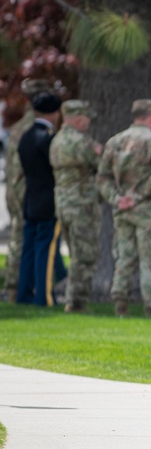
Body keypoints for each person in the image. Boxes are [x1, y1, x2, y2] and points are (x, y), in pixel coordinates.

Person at [97, 99, 151, 318]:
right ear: (150, 118)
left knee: (124, 258)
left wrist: (117, 199)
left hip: (122, 211)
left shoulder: (115, 141)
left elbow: (102, 177)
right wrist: (138, 196)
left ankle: (120, 305)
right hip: (148, 211)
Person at [49, 99, 102, 313]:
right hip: (82, 205)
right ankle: (76, 302)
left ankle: (73, 298)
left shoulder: (56, 140)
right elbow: (102, 164)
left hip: (63, 204)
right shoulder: (81, 142)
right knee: (85, 255)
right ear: (79, 118)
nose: (88, 122)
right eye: (87, 117)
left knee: (75, 252)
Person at [16, 91, 66, 307]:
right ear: (55, 113)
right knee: (46, 249)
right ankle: (43, 297)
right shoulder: (48, 137)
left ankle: (23, 293)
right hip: (48, 201)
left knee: (29, 249)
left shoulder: (25, 136)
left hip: (30, 199)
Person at [4, 78, 52, 301]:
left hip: (17, 189)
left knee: (22, 239)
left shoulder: (17, 129)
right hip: (32, 190)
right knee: (31, 242)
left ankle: (17, 289)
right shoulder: (39, 129)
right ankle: (22, 289)